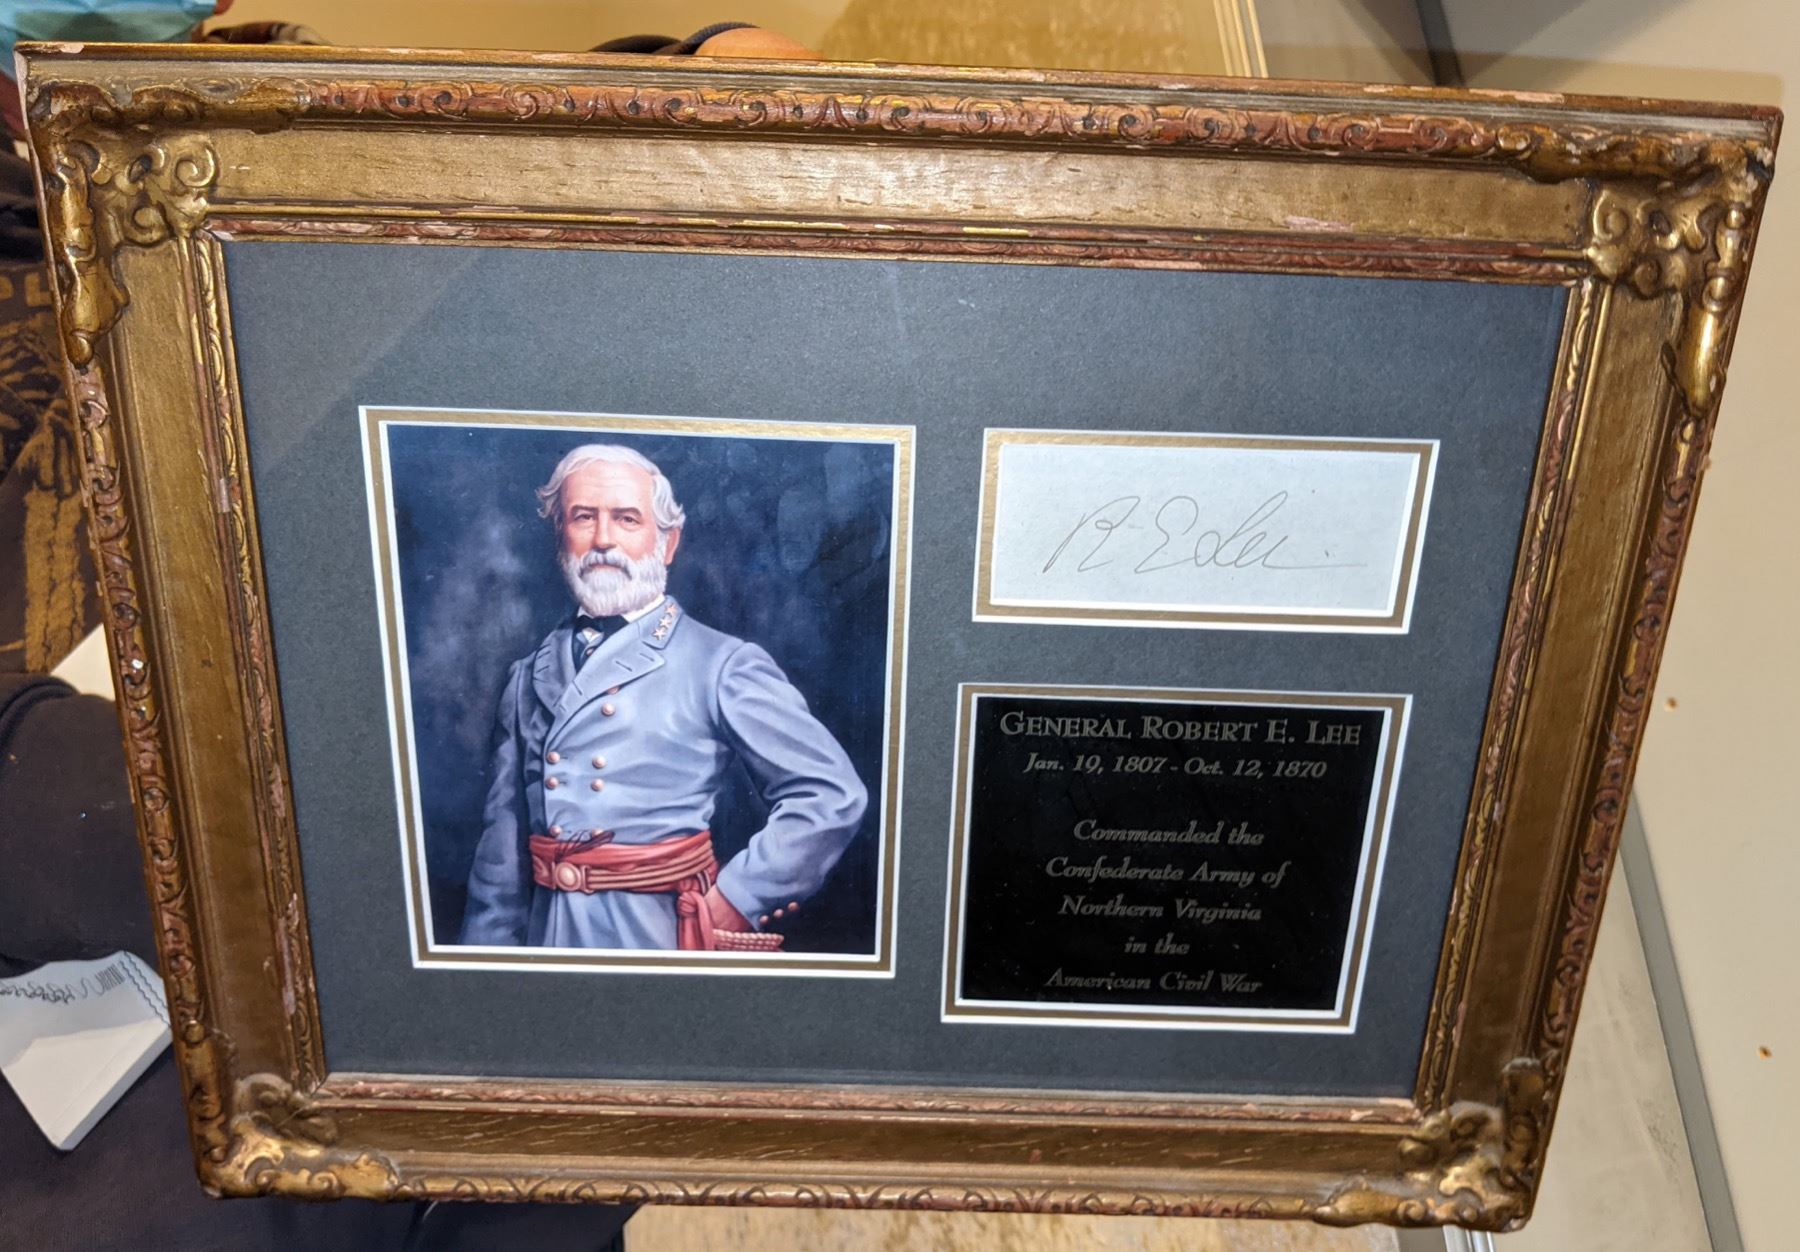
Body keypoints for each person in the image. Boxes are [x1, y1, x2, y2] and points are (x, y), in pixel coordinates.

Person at [459, 444, 867, 951]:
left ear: (667, 542)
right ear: (559, 533)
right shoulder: (526, 676)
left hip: (659, 937)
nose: (603, 539)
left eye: (626, 519)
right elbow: (500, 859)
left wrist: (737, 899)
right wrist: (483, 963)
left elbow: (830, 794)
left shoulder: (721, 663)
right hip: (548, 944)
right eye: (583, 517)